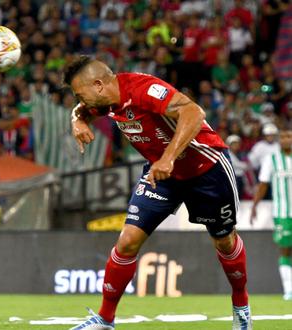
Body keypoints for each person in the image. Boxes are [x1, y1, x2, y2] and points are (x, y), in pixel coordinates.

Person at [64, 56, 251, 330]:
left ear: (98, 85)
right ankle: (104, 321)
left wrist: (168, 158)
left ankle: (241, 308)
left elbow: (194, 113)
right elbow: (81, 110)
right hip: (162, 176)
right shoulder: (107, 100)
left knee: (224, 241)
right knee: (127, 241)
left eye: (80, 94)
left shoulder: (143, 89)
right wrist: (76, 120)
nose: (81, 101)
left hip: (207, 169)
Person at [250, 129, 292, 301]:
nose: (285, 139)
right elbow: (263, 185)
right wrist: (254, 205)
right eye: (282, 136)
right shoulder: (271, 159)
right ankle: (288, 290)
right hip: (282, 213)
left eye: (288, 136)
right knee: (285, 251)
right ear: (278, 140)